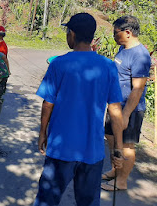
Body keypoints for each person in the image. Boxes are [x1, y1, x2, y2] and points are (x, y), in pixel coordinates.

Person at [33, 13, 125, 206]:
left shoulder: (59, 63)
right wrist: (117, 148)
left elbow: (48, 103)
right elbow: (115, 110)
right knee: (89, 202)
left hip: (61, 149)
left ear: (72, 34)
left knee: (47, 200)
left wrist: (42, 132)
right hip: (92, 151)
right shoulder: (108, 66)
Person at [101, 15, 151, 191]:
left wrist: (126, 114)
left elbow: (137, 89)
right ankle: (115, 170)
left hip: (130, 109)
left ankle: (121, 181)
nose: (113, 36)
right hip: (115, 105)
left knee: (127, 146)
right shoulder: (123, 49)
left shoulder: (140, 55)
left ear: (128, 32)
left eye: (116, 33)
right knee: (112, 138)